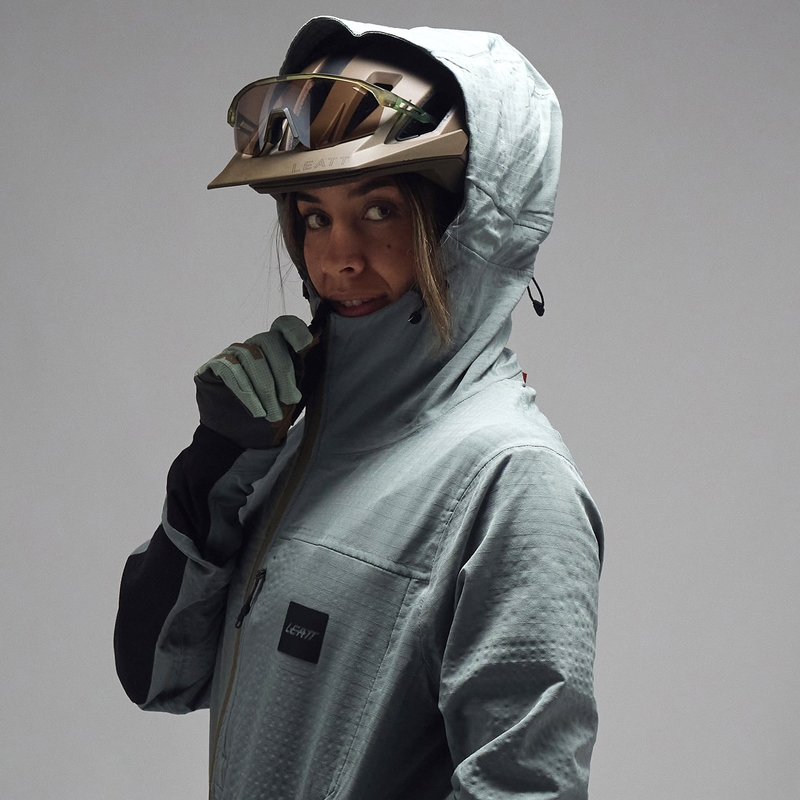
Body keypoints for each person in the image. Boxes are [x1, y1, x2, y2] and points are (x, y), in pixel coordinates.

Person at [114, 16, 604, 800]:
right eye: (315, 216)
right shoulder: (302, 447)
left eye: (380, 209)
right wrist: (215, 469)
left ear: (472, 226)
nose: (337, 258)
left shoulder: (514, 481)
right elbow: (157, 675)